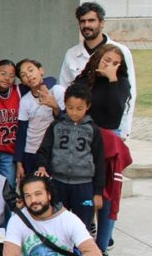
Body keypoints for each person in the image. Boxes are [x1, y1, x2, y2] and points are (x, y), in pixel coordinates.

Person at [59, 1, 136, 139]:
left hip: (110, 130)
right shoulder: (71, 54)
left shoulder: (121, 52)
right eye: (82, 21)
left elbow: (130, 94)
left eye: (91, 20)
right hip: (79, 131)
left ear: (101, 23)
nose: (86, 25)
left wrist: (124, 130)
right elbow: (64, 90)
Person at [35, 84, 106, 231]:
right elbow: (44, 150)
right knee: (56, 223)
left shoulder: (93, 130)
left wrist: (98, 192)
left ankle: (79, 253)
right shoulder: (56, 125)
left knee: (82, 226)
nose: (74, 112)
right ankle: (60, 253)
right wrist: (42, 166)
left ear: (88, 106)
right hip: (58, 183)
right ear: (65, 105)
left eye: (79, 108)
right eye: (70, 107)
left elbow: (99, 161)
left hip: (83, 185)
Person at [15, 59, 64, 180]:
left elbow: (67, 121)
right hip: (31, 151)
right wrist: (19, 162)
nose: (29, 76)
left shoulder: (57, 91)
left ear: (41, 70)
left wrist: (55, 106)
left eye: (31, 70)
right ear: (23, 82)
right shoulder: (25, 101)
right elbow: (22, 132)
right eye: (23, 75)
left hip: (54, 150)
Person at [75, 44, 132, 135]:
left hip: (108, 133)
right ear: (98, 59)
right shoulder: (84, 80)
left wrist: (112, 80)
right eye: (107, 60)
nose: (110, 66)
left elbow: (115, 114)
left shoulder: (121, 82)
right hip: (83, 131)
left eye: (115, 64)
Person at [0, 60, 20, 189]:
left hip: (9, 152)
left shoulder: (18, 91)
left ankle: (8, 210)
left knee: (8, 188)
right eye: (3, 73)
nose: (7, 78)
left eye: (12, 76)